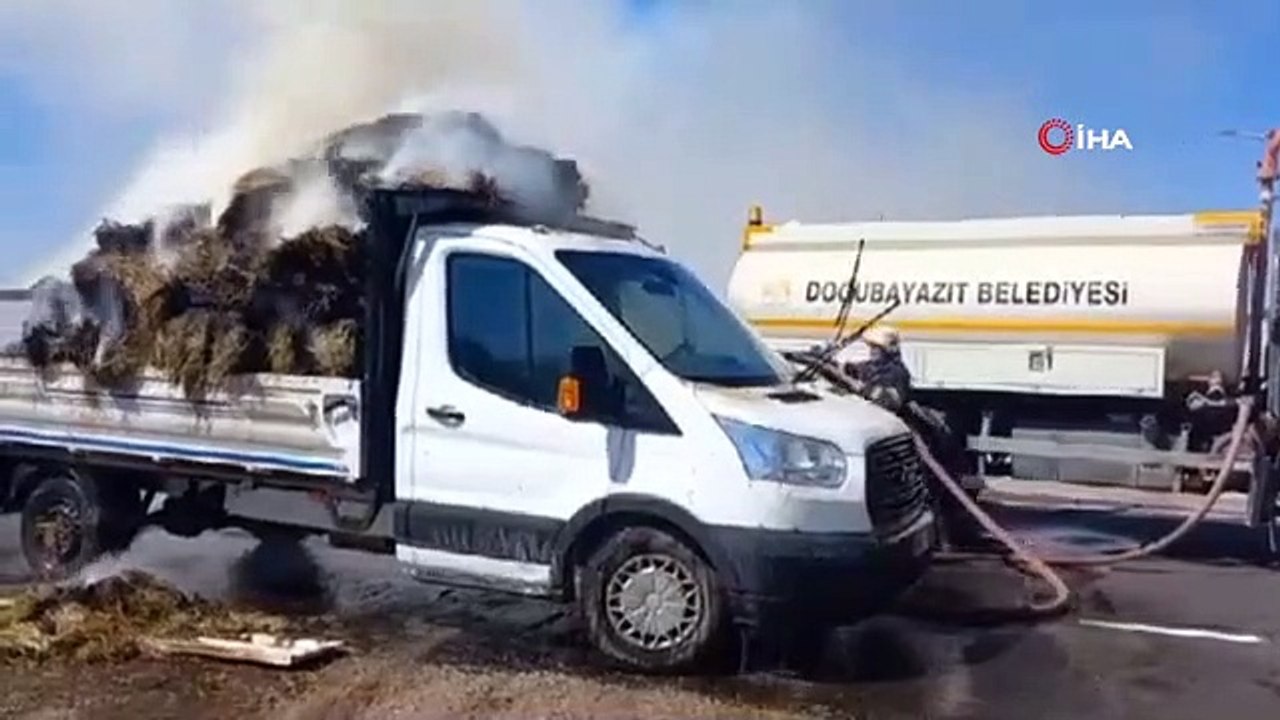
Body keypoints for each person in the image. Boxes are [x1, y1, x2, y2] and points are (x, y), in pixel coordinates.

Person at [842, 324, 911, 413]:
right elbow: (850, 368)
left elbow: (891, 402)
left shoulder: (897, 372)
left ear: (887, 350)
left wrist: (862, 388)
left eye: (876, 348)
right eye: (871, 347)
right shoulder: (871, 366)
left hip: (882, 417)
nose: (872, 351)